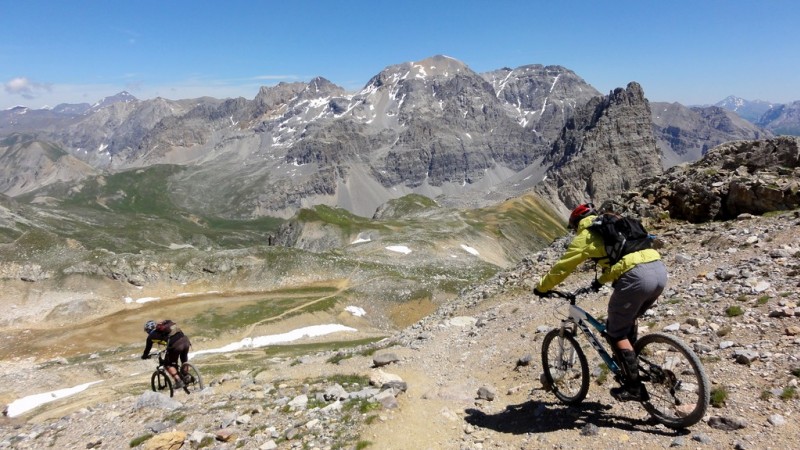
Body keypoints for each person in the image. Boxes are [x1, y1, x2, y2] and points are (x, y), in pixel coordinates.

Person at [533, 203, 667, 401]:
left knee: (615, 331)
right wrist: (599, 281)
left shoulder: (587, 235)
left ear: (577, 223)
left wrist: (542, 287)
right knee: (627, 319)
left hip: (636, 277)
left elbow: (563, 267)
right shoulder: (616, 224)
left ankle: (634, 387)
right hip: (659, 270)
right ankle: (628, 359)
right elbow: (622, 258)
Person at [141, 319, 192, 389]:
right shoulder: (166, 330)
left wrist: (144, 356)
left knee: (167, 364)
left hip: (176, 345)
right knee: (183, 359)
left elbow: (147, 350)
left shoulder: (150, 337)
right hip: (185, 341)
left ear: (148, 330)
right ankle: (186, 376)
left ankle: (178, 381)